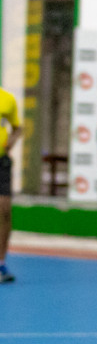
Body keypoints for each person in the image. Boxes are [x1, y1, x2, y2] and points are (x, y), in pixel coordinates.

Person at [0, 82, 21, 283]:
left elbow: (17, 128)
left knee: (4, 211)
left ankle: (1, 264)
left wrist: (10, 143)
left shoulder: (7, 99)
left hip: (1, 163)